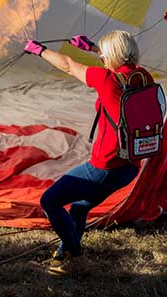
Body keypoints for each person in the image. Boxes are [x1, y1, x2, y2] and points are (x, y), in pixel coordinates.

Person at [23, 30, 153, 275]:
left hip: (105, 167)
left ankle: (74, 253)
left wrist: (40, 50)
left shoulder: (106, 79)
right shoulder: (143, 76)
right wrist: (94, 48)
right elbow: (120, 64)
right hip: (130, 167)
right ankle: (65, 255)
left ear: (112, 55)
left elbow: (70, 66)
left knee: (49, 200)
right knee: (80, 207)